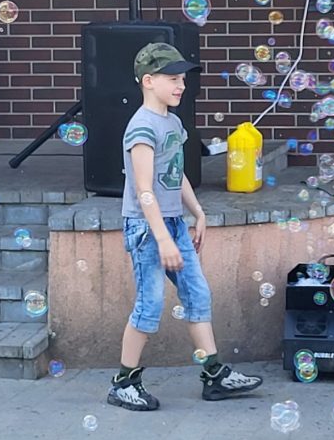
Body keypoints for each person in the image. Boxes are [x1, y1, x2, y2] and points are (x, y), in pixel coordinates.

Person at [108, 42, 263, 411]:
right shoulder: (142, 127)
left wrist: (198, 212)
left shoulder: (173, 123)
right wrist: (162, 238)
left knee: (197, 295)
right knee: (150, 306)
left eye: (182, 79)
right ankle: (123, 383)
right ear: (148, 81)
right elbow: (144, 190)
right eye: (173, 79)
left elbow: (174, 176)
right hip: (148, 231)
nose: (181, 86)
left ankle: (213, 375)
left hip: (174, 224)